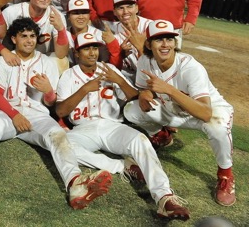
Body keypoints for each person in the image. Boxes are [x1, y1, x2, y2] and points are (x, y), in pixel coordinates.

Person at [0, 17, 112, 210]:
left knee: (57, 136)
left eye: (32, 36)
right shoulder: (6, 59)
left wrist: (49, 91)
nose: (30, 40)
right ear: (14, 39)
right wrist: (14, 115)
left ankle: (76, 184)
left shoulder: (47, 63)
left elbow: (52, 104)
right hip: (8, 112)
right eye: (24, 36)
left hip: (37, 116)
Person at [55, 32, 190, 220]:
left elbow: (136, 99)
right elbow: (60, 111)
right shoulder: (68, 76)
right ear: (76, 53)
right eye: (86, 48)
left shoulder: (109, 69)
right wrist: (84, 89)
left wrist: (118, 80)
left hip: (113, 126)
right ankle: (122, 166)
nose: (92, 52)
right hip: (83, 128)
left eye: (95, 47)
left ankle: (165, 198)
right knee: (62, 146)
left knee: (141, 141)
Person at [123, 19, 236, 207]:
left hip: (211, 111)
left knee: (217, 128)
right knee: (131, 110)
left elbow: (206, 113)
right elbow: (144, 88)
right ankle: (161, 135)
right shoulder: (145, 60)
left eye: (169, 39)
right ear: (149, 45)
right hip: (176, 112)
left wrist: (169, 90)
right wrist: (144, 95)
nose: (165, 44)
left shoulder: (191, 68)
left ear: (176, 43)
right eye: (159, 40)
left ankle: (225, 175)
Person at [0, 0, 69, 74]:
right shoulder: (12, 11)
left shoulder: (57, 16)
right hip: (16, 57)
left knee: (61, 61)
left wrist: (61, 29)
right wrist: (4, 52)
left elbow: (61, 54)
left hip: (42, 58)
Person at [110, 0, 153, 84]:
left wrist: (141, 47)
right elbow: (113, 66)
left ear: (137, 8)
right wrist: (119, 54)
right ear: (114, 12)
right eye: (120, 8)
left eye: (129, 7)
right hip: (129, 76)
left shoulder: (150, 27)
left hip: (154, 73)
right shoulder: (112, 32)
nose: (125, 12)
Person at [64, 0, 119, 67]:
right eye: (76, 13)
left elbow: (107, 63)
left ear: (89, 15)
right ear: (68, 16)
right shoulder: (63, 34)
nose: (81, 17)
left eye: (84, 12)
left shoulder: (99, 35)